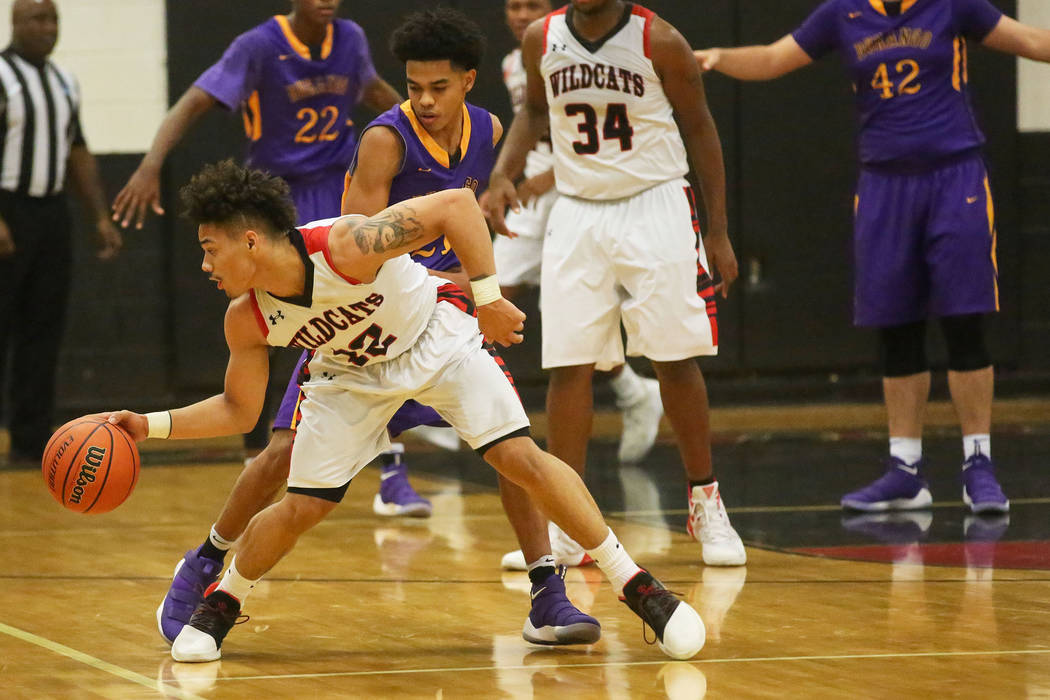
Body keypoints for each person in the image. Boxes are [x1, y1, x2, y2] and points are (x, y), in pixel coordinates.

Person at [105, 159, 707, 663]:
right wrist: (149, 426)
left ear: (251, 241)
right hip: (347, 376)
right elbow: (239, 411)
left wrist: (489, 298)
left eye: (211, 249)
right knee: (303, 503)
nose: (205, 264)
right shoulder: (247, 317)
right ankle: (225, 599)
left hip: (432, 339)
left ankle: (638, 585)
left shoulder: (345, 245)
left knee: (520, 456)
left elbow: (456, 207)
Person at [152, 7, 600, 651]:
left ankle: (546, 592)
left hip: (444, 323)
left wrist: (483, 245)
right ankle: (204, 561)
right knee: (281, 454)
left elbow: (471, 207)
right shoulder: (385, 141)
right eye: (412, 86)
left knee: (511, 448)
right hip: (371, 316)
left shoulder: (490, 129)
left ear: (468, 82)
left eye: (436, 88)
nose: (422, 100)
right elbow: (361, 250)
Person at [694, 0, 1050, 514]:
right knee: (897, 324)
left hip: (955, 174)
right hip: (884, 181)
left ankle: (979, 464)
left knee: (964, 321)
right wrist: (717, 57)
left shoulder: (951, 5)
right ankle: (905, 470)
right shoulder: (844, 12)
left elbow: (1033, 41)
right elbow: (774, 59)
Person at [484, 0, 747, 567]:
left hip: (656, 202)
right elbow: (533, 110)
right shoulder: (540, 38)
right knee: (568, 364)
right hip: (578, 209)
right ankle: (569, 524)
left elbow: (701, 127)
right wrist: (503, 173)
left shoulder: (662, 41)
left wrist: (719, 232)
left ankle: (706, 502)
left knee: (674, 356)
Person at [110, 0, 404, 471]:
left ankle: (391, 459)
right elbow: (195, 100)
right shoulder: (259, 46)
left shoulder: (350, 39)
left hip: (338, 188)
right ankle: (259, 452)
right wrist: (150, 164)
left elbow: (375, 91)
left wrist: (427, 125)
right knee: (266, 326)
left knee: (369, 311)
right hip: (278, 199)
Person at [493, 0, 665, 482]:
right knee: (490, 297)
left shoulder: (586, 50)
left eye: (532, 5)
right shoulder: (515, 62)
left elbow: (586, 134)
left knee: (577, 322)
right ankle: (633, 391)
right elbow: (534, 125)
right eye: (513, 5)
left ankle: (633, 394)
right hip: (532, 194)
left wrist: (542, 181)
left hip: (578, 187)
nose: (521, 14)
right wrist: (504, 178)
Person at [0, 0, 122, 464]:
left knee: (43, 329)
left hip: (51, 214)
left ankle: (30, 442)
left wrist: (98, 217)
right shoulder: (2, 75)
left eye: (53, 19)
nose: (47, 28)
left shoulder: (63, 81)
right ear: (15, 22)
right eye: (37, 18)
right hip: (6, 208)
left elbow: (77, 149)